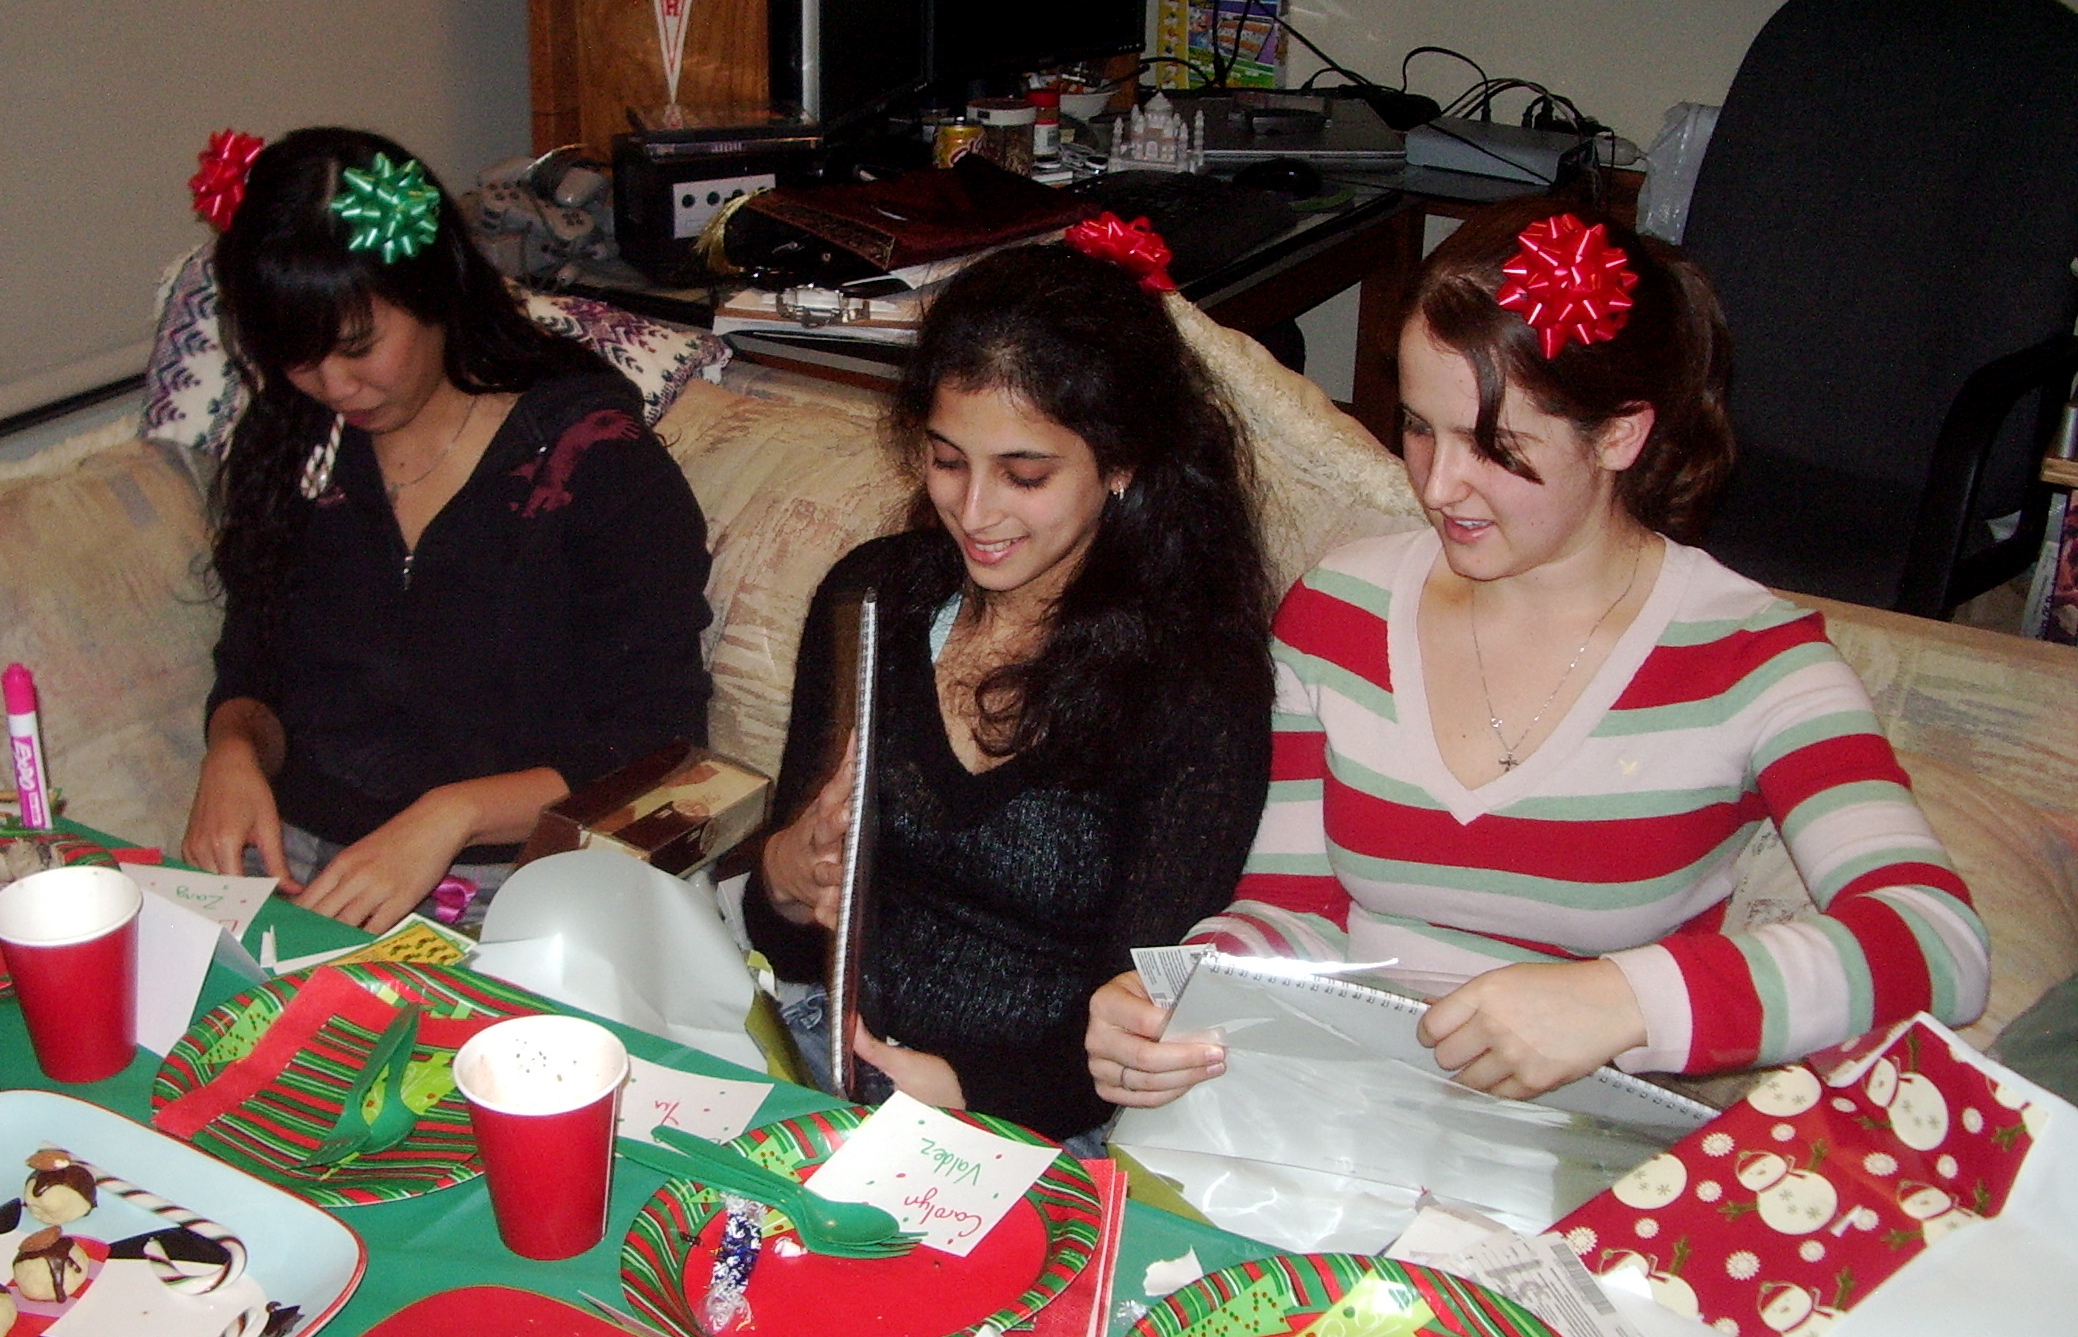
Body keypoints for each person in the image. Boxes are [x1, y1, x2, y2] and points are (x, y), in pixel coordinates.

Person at [1088, 198, 1989, 1106]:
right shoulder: (1340, 611)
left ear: (1622, 433)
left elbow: (1939, 942)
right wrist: (1188, 989)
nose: (1440, 486)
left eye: (1495, 445)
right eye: (1418, 427)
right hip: (1340, 1110)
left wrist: (1623, 1000)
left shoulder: (1752, 659)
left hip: (1576, 1148)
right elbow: (1297, 910)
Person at [745, 232, 1274, 1146]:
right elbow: (786, 941)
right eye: (948, 461)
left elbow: (1133, 1028)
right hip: (818, 1050)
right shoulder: (875, 599)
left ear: (1121, 462)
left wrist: (957, 1088)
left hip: (1035, 1124)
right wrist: (787, 878)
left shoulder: (1193, 685)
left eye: (1025, 475)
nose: (975, 512)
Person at [180, 127, 711, 933]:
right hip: (298, 865)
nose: (334, 387)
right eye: (297, 358)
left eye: (359, 347)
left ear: (437, 290)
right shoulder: (295, 440)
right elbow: (255, 661)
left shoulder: (594, 461)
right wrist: (233, 749)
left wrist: (451, 816)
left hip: (520, 880)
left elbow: (660, 749)